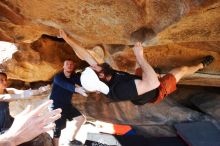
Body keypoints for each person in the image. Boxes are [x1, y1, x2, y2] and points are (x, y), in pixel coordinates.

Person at [59, 29, 214, 105]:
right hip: (154, 90)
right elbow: (153, 83)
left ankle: (153, 72)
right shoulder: (118, 91)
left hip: (137, 81)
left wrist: (67, 38)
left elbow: (85, 55)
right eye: (94, 69)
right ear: (100, 77)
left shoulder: (101, 75)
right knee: (181, 70)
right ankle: (201, 65)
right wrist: (140, 55)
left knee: (142, 70)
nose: (93, 65)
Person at [49, 59, 87, 146]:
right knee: (57, 130)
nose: (69, 65)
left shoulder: (74, 77)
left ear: (73, 66)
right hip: (56, 106)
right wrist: (76, 89)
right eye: (67, 64)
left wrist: (95, 88)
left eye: (71, 64)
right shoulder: (58, 77)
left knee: (81, 119)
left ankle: (71, 140)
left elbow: (84, 82)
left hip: (67, 105)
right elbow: (65, 85)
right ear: (63, 66)